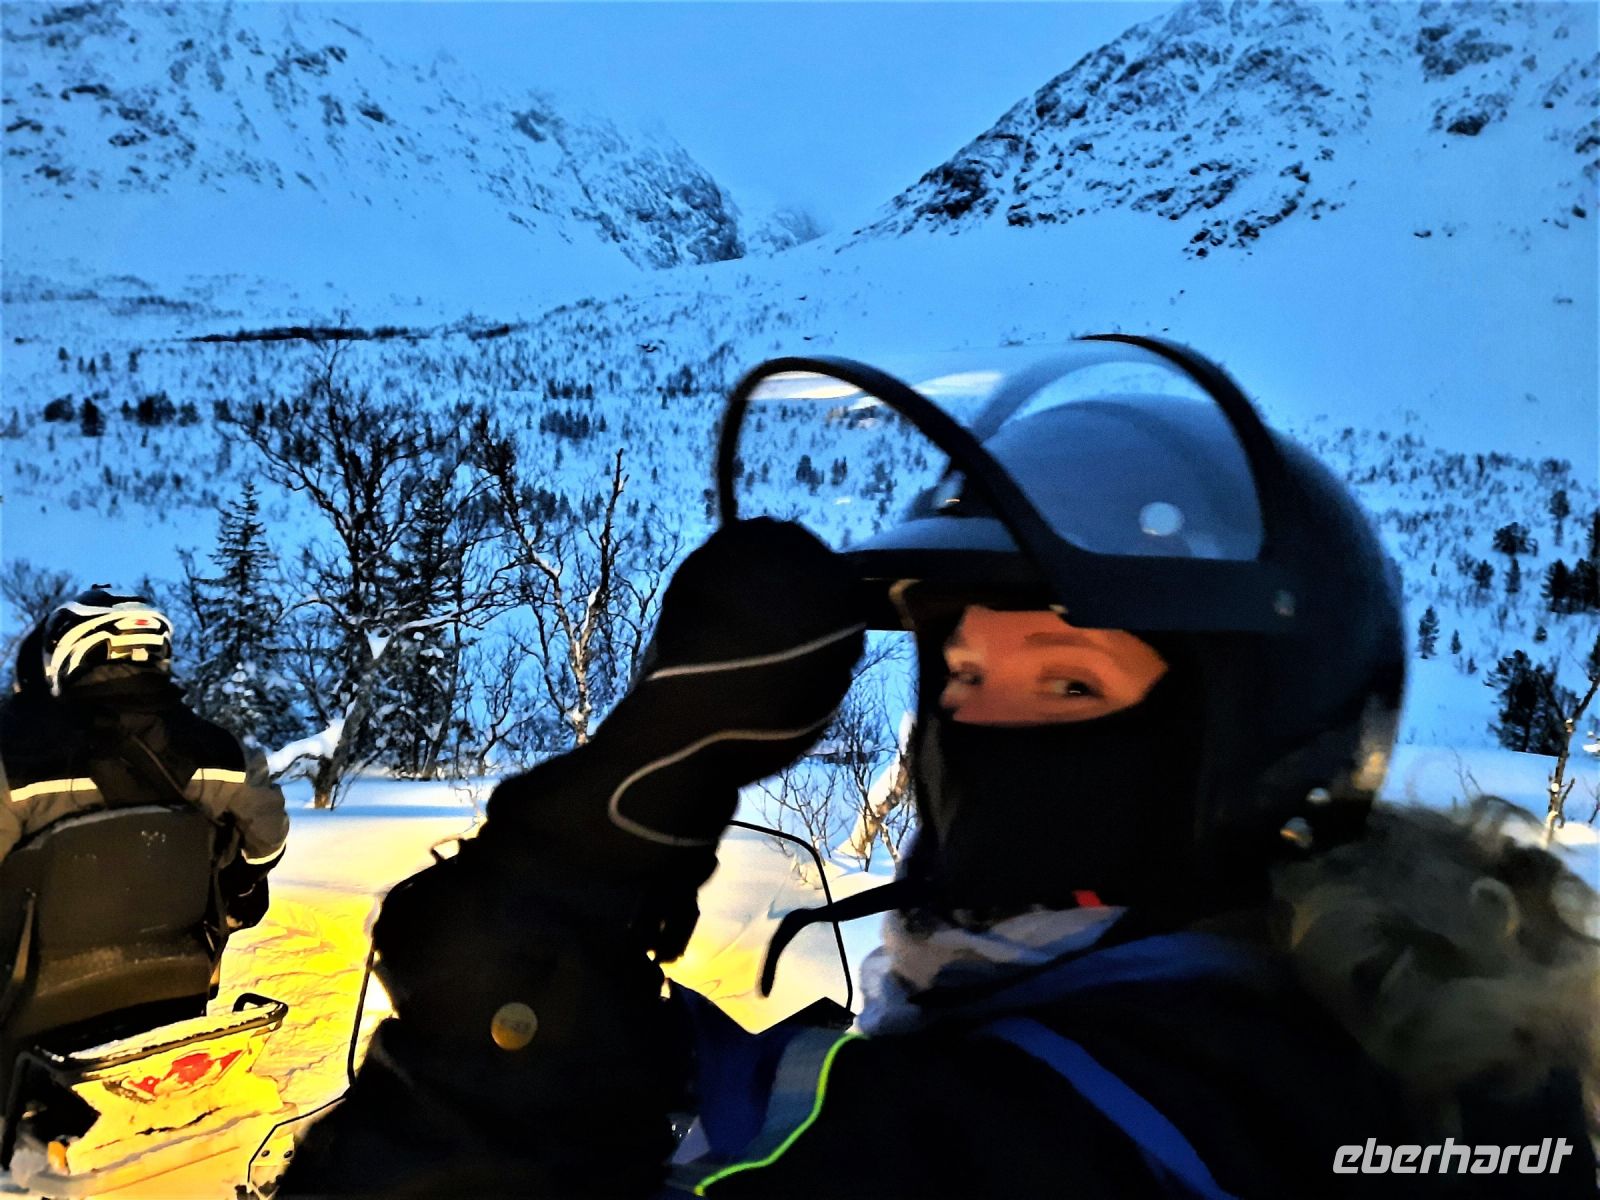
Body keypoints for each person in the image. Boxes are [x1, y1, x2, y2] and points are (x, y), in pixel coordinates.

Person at [282, 342, 1597, 1198]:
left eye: (1072, 683)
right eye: (965, 678)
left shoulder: (1068, 1131)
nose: (987, 730)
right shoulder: (1412, 1036)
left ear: (1248, 732)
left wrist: (557, 891)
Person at [0, 587, 289, 930]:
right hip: (179, 960)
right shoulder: (221, 749)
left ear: (67, 654)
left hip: (40, 972)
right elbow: (268, 840)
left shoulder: (16, 754)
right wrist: (233, 884)